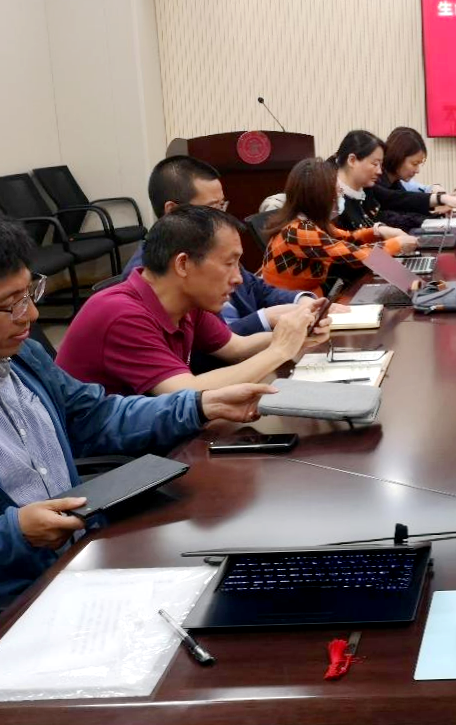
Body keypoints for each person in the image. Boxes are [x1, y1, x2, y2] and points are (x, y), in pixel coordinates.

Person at [0, 217, 272, 603]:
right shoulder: (119, 312)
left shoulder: (24, 357)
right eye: (11, 304)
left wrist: (198, 405)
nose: (31, 315)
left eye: (29, 294)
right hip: (19, 597)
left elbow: (96, 417)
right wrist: (16, 533)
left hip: (79, 558)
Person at [57, 206, 329, 396]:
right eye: (229, 264)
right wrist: (279, 350)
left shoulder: (186, 302)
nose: (238, 278)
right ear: (183, 264)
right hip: (113, 456)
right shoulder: (121, 313)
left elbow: (236, 348)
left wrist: (295, 334)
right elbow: (186, 392)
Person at [122, 155, 320, 335]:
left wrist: (303, 301)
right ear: (173, 210)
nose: (222, 216)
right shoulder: (151, 274)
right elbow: (203, 346)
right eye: (212, 207)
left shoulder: (216, 248)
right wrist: (266, 319)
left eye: (222, 205)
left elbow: (256, 288)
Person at [261, 157, 416, 294]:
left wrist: (378, 231)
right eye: (336, 192)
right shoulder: (300, 231)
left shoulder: (309, 223)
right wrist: (397, 244)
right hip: (292, 305)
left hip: (311, 297)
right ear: (319, 197)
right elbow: (357, 256)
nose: (339, 196)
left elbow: (350, 238)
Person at [368, 127, 456, 232]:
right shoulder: (373, 184)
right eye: (414, 164)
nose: (417, 170)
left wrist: (436, 213)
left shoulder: (395, 183)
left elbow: (408, 210)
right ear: (398, 157)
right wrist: (439, 201)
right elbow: (398, 203)